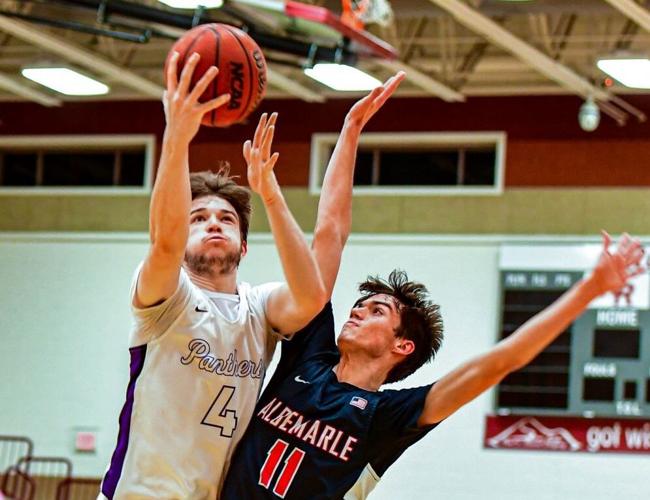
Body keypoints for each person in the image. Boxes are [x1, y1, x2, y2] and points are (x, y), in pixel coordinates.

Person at [220, 89, 645, 497]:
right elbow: (330, 234)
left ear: (402, 345)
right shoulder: (309, 356)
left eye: (376, 311)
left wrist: (590, 289)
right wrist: (349, 130)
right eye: (359, 306)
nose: (357, 312)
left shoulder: (389, 418)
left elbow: (500, 362)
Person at [99, 51, 327, 499]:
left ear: (243, 245)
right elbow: (163, 242)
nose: (213, 223)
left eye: (226, 218)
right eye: (198, 218)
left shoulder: (258, 307)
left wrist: (271, 195)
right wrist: (177, 139)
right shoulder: (169, 296)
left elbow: (312, 296)